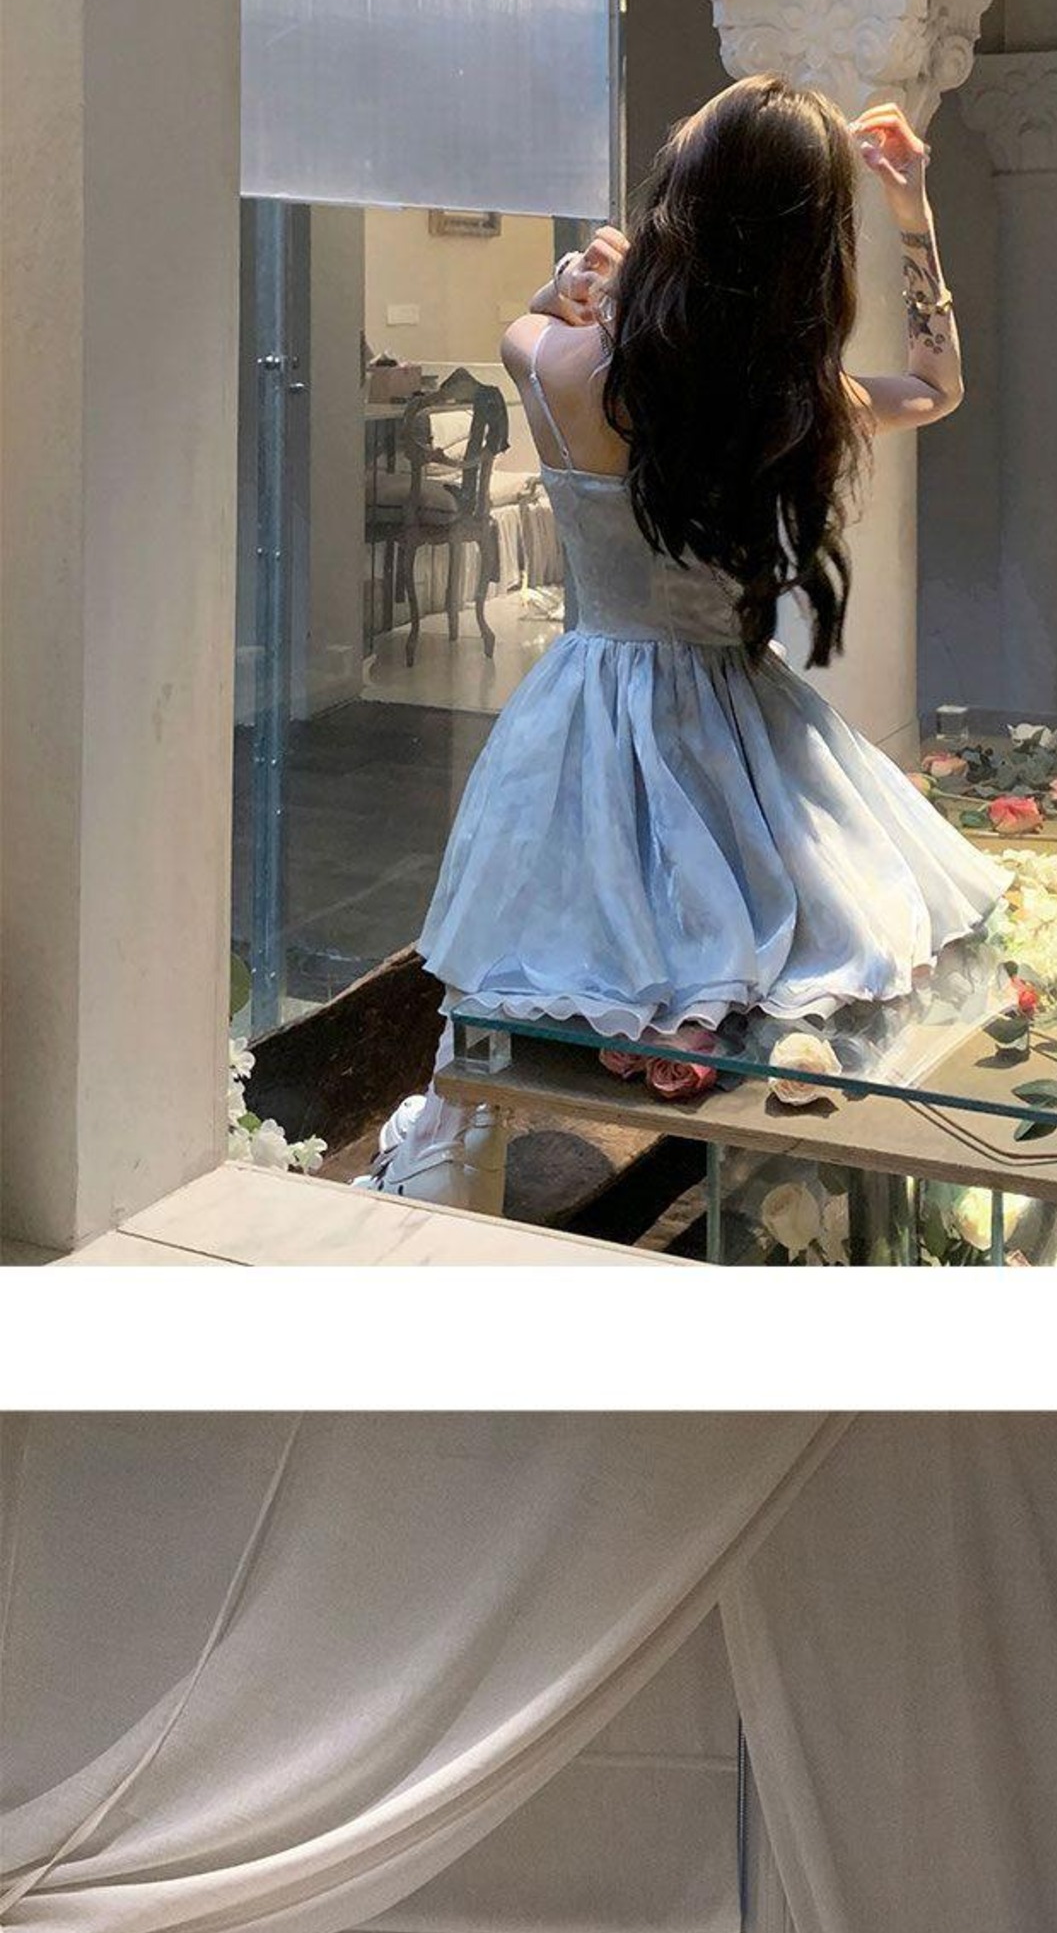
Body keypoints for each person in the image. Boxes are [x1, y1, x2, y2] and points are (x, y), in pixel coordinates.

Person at [374, 77, 1008, 1142]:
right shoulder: (787, 395)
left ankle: (468, 1149)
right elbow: (934, 386)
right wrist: (912, 211)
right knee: (784, 937)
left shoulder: (560, 367)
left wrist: (571, 287)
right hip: (743, 726)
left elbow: (519, 330)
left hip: (585, 712)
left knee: (557, 957)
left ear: (682, 200)